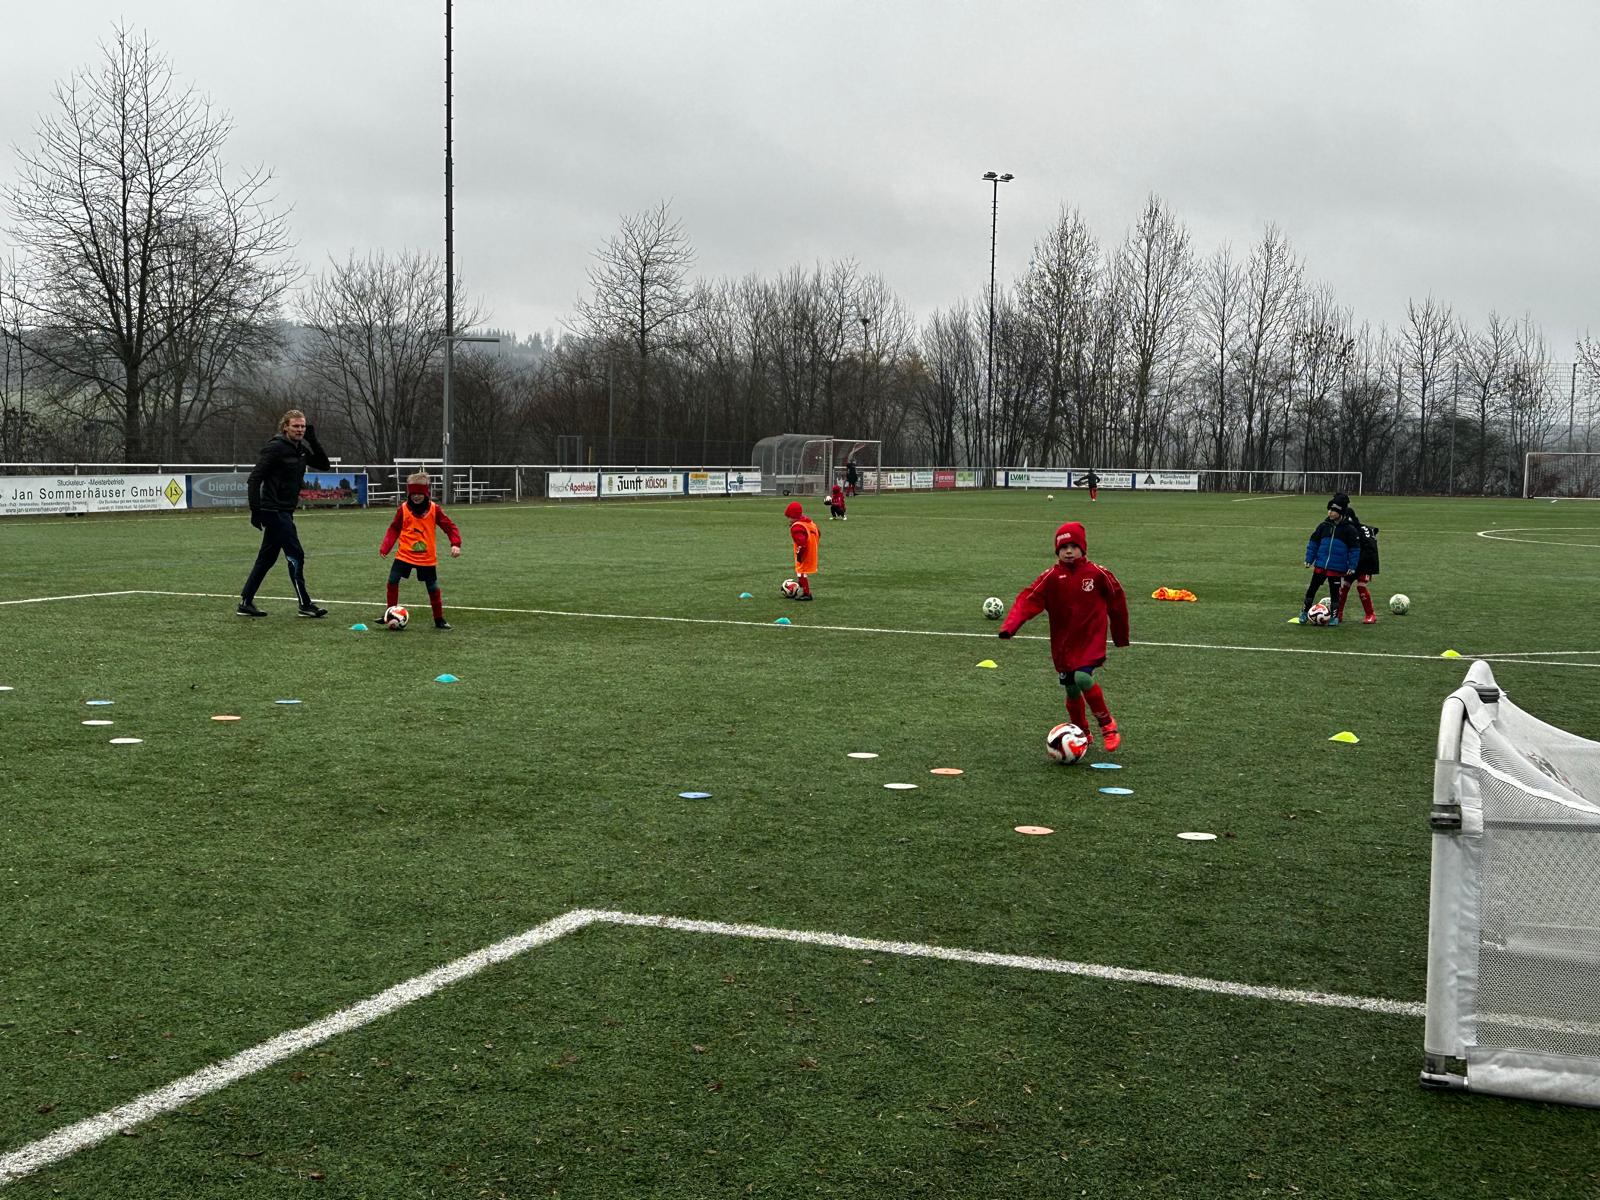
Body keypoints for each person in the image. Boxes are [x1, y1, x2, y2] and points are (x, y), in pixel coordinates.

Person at [997, 520, 1130, 751]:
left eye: (1073, 547)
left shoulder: (1098, 574)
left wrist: (1120, 636)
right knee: (1070, 687)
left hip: (1090, 639)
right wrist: (1010, 626)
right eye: (1063, 547)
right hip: (1063, 644)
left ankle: (1107, 724)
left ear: (1083, 548)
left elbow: (1117, 603)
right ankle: (1082, 731)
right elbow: (1028, 600)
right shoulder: (1050, 577)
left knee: (1082, 678)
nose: (1068, 551)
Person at [238, 409, 332, 618]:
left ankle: (245, 602)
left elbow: (324, 465)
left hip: (285, 511)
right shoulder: (276, 448)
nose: (300, 430)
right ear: (285, 427)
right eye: (296, 426)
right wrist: (255, 511)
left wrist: (313, 440)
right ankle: (305, 604)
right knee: (296, 555)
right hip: (274, 510)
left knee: (267, 558)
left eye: (303, 426)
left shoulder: (300, 450)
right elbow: (254, 479)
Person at [379, 472, 463, 630]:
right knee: (392, 581)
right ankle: (390, 614)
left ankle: (439, 619)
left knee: (432, 587)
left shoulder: (434, 509)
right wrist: (386, 546)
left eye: (419, 493)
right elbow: (394, 528)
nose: (416, 496)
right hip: (404, 554)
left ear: (426, 493)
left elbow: (450, 527)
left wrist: (456, 543)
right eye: (413, 493)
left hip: (426, 557)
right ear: (409, 493)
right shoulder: (403, 509)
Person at [1302, 495, 1362, 625]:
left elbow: (1355, 550)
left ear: (1341, 512)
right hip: (1320, 565)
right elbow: (1313, 543)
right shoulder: (1323, 526)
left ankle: (1334, 617)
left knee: (1334, 592)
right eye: (1329, 509)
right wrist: (1309, 559)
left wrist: (1352, 566)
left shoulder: (1349, 530)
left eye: (1333, 510)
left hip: (1336, 567)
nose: (1330, 512)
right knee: (1312, 589)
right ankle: (1304, 612)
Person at [1329, 492, 1380, 625]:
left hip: (1365, 560)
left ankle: (1370, 614)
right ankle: (1338, 614)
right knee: (1344, 587)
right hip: (1352, 560)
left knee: (1361, 586)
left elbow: (1367, 547)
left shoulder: (1354, 527)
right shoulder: (1343, 524)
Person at [785, 500, 819, 600]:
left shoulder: (796, 527)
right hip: (813, 549)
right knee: (801, 571)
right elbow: (818, 533)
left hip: (805, 552)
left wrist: (799, 554)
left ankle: (806, 594)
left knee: (801, 572)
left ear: (793, 516)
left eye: (789, 517)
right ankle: (801, 588)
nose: (789, 519)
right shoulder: (809, 523)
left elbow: (802, 543)